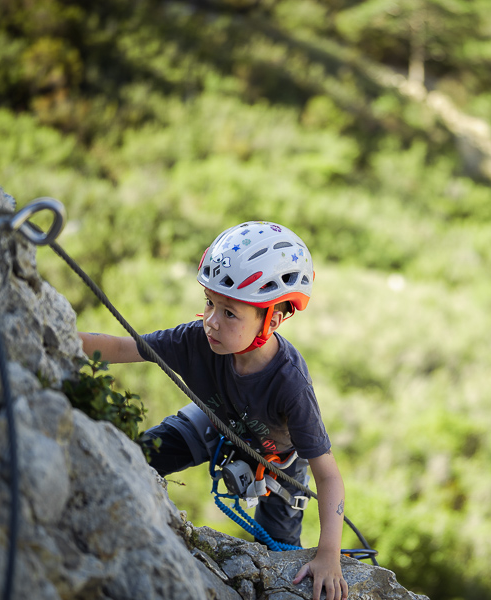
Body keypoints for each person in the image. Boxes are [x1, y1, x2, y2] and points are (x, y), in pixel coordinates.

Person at [78, 221, 349, 600]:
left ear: (272, 319)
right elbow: (124, 348)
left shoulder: (289, 385)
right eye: (209, 302)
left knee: (280, 552)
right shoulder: (198, 340)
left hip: (278, 464)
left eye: (230, 312)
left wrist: (328, 556)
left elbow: (329, 476)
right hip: (215, 421)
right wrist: (60, 335)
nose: (211, 321)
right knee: (138, 458)